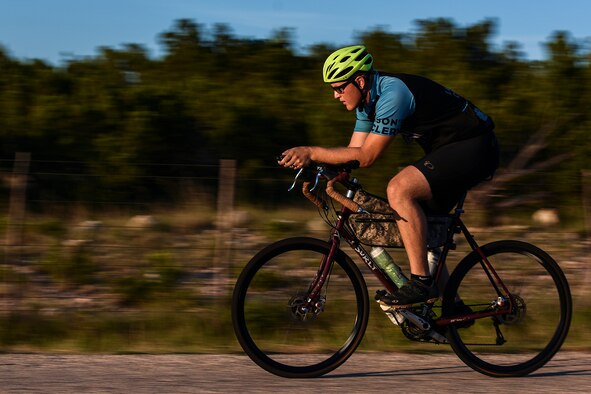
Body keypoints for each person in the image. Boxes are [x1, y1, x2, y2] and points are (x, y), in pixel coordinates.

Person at [278, 45, 499, 308]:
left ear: (359, 81)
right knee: (422, 228)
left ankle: (421, 284)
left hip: (475, 145)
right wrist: (320, 169)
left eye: (338, 88)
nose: (334, 95)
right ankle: (453, 307)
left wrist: (312, 151)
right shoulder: (365, 105)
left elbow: (368, 156)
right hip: (450, 150)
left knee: (399, 189)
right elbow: (353, 154)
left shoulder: (393, 94)